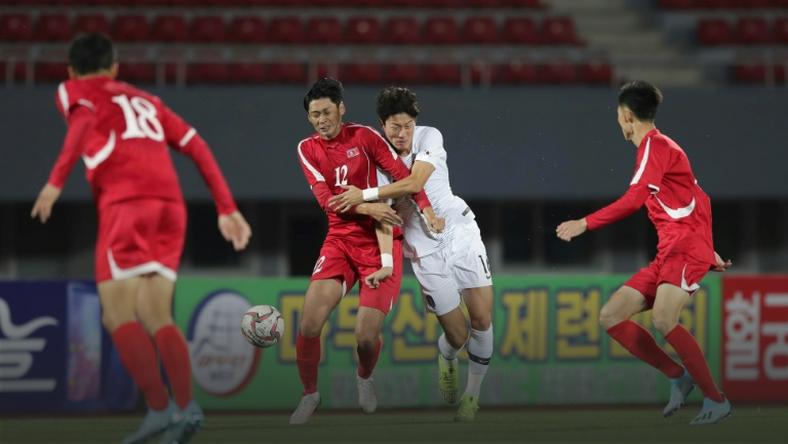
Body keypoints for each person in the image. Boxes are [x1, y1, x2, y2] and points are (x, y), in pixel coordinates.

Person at [30, 33, 252, 444]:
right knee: (156, 316)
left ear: (71, 71)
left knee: (117, 316)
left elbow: (81, 122)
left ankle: (159, 407)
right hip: (171, 206)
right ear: (115, 67)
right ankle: (186, 409)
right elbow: (195, 144)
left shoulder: (73, 89)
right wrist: (226, 207)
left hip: (127, 205)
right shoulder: (145, 100)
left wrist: (54, 183)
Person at [555, 80, 732, 425]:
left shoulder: (655, 146)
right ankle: (677, 376)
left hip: (684, 249)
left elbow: (635, 200)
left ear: (626, 116)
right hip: (671, 251)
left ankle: (716, 399)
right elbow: (699, 198)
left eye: (618, 117)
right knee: (611, 316)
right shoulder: (658, 149)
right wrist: (710, 250)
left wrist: (585, 223)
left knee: (665, 319)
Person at [329, 86, 494, 422]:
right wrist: (388, 261)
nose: (403, 134)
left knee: (481, 318)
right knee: (458, 335)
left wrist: (366, 194)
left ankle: (472, 398)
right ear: (382, 125)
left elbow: (415, 182)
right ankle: (446, 355)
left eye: (408, 126)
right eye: (395, 127)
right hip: (423, 252)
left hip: (458, 232)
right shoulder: (372, 159)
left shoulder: (430, 136)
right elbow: (384, 220)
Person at [292, 78, 442, 425]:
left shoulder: (364, 137)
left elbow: (403, 175)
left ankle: (364, 377)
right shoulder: (307, 149)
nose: (321, 120)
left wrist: (427, 209)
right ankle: (309, 394)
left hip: (382, 240)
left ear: (341, 109)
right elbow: (326, 201)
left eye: (327, 112)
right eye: (314, 115)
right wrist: (367, 207)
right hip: (341, 240)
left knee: (364, 337)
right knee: (311, 322)